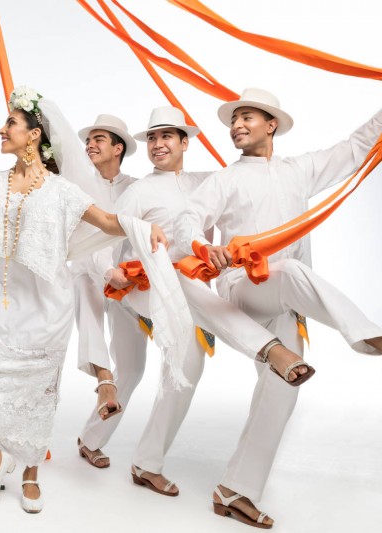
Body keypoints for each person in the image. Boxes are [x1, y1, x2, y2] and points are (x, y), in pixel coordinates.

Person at [0, 87, 171, 514]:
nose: (1, 129)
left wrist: (143, 230)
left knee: (35, 399)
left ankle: (30, 474)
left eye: (10, 123)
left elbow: (106, 221)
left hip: (45, 312)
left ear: (33, 135)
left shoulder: (62, 191)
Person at [175, 88, 382, 528]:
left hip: (287, 305)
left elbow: (356, 147)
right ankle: (366, 335)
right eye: (234, 120)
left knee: (281, 394)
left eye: (247, 117)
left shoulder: (298, 170)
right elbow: (188, 216)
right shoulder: (225, 179)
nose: (237, 126)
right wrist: (202, 244)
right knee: (286, 269)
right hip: (243, 291)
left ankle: (235, 490)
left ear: (271, 125)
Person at [106, 106, 311, 499]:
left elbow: (242, 196)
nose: (158, 144)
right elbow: (106, 233)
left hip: (195, 288)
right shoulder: (140, 190)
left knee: (186, 371)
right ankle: (271, 350)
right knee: (187, 290)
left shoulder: (208, 180)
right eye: (151, 138)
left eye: (167, 136)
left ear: (186, 142)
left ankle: (146, 464)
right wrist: (107, 270)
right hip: (149, 285)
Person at [71, 113, 148, 470]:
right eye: (89, 139)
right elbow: (88, 241)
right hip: (88, 270)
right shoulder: (77, 183)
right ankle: (104, 379)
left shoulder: (137, 187)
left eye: (99, 139)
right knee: (85, 285)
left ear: (118, 148)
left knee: (133, 367)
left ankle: (91, 439)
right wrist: (107, 270)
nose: (91, 144)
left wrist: (127, 274)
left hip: (127, 283)